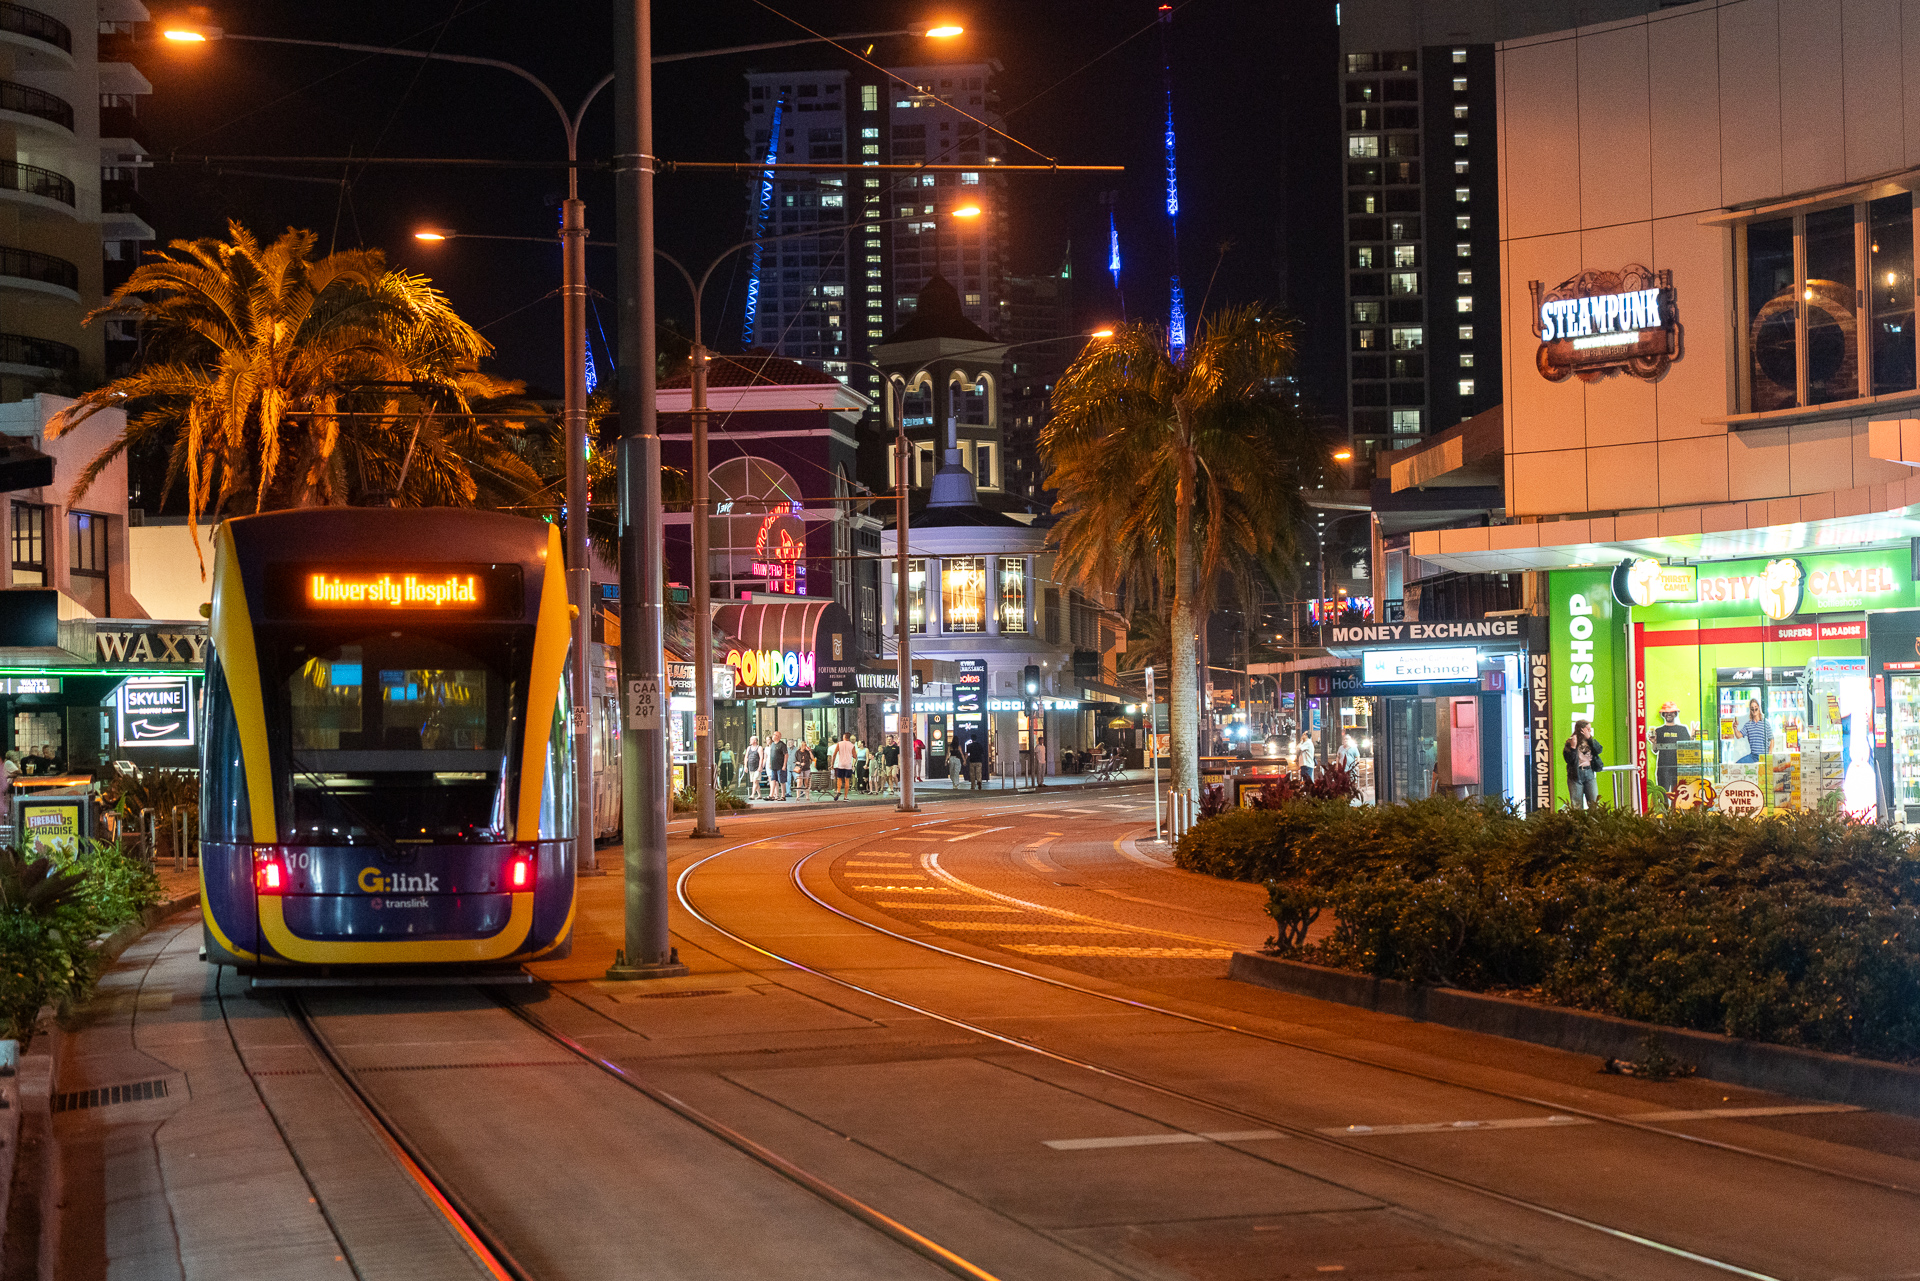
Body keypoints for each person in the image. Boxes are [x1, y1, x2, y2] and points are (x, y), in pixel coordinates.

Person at [1650, 701, 1689, 799]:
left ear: (1675, 714)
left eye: (1671, 712)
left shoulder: (1682, 730)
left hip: (1679, 768)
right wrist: (1654, 742)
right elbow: (1655, 750)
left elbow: (1688, 748)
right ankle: (1664, 813)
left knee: (1679, 795)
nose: (1669, 715)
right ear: (1663, 714)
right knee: (1663, 796)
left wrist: (1692, 737)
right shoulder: (1658, 731)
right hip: (1663, 768)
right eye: (1666, 713)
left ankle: (1676, 813)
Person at [1563, 718, 1603, 809]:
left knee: (1594, 802)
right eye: (1587, 729)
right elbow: (1568, 759)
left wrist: (1590, 738)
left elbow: (1599, 749)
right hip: (1576, 774)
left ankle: (1593, 822)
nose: (1589, 731)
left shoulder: (1590, 741)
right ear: (1581, 729)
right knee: (1577, 804)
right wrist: (1573, 747)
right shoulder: (1571, 741)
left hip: (1589, 772)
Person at [1736, 697, 1773, 764]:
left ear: (1759, 708)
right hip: (1753, 756)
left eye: (1756, 707)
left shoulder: (1765, 723)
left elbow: (1772, 739)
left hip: (1763, 756)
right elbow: (1738, 736)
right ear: (1750, 710)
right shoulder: (1748, 725)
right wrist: (1735, 728)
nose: (1754, 710)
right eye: (1752, 708)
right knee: (1738, 764)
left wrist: (1769, 754)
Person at [830, 733, 857, 800]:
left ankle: (838, 790)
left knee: (839, 778)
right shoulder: (852, 745)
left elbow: (834, 754)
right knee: (847, 780)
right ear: (849, 738)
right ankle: (845, 796)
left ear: (844, 737)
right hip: (848, 765)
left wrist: (832, 764)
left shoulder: (839, 744)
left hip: (840, 764)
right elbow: (855, 756)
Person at [768, 731, 789, 801]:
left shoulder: (782, 745)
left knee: (782, 781)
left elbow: (786, 755)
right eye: (773, 734)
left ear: (778, 737)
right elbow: (771, 755)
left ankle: (783, 795)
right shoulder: (772, 744)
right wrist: (770, 764)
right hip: (774, 766)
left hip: (780, 766)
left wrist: (784, 765)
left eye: (775, 735)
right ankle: (771, 795)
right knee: (773, 780)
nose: (773, 736)